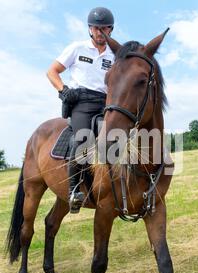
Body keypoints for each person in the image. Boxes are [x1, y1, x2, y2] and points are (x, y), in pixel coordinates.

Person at [47, 7, 115, 213]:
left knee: (119, 139)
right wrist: (63, 90)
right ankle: (74, 190)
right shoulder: (77, 48)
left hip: (106, 102)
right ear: (90, 29)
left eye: (104, 28)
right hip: (81, 102)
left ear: (110, 30)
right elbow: (52, 71)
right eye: (96, 28)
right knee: (81, 139)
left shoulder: (115, 54)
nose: (100, 32)